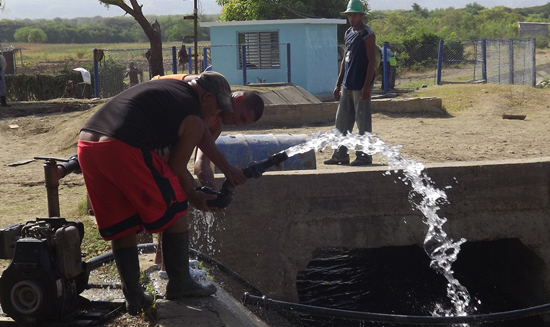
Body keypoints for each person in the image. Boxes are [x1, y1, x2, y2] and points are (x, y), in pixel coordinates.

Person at [77, 71, 248, 315]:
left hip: (88, 145)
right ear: (207, 96)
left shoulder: (172, 88)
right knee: (177, 205)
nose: (216, 113)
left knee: (122, 222)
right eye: (217, 107)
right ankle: (180, 283)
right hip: (123, 148)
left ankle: (134, 296)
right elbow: (176, 167)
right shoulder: (193, 115)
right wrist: (193, 195)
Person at [150, 73, 265, 278]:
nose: (238, 124)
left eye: (244, 124)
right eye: (241, 117)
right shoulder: (205, 93)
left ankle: (163, 260)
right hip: (152, 118)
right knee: (174, 191)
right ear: (236, 99)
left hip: (164, 136)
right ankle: (169, 268)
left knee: (177, 189)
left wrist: (213, 196)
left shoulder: (216, 125)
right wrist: (227, 168)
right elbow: (197, 127)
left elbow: (201, 163)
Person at [324, 0, 376, 166]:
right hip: (347, 85)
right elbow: (345, 61)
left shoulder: (367, 34)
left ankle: (364, 155)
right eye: (349, 15)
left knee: (362, 123)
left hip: (361, 86)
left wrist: (366, 86)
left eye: (354, 15)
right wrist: (338, 83)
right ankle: (340, 154)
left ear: (361, 15)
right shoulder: (348, 33)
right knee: (342, 121)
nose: (351, 18)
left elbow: (372, 61)